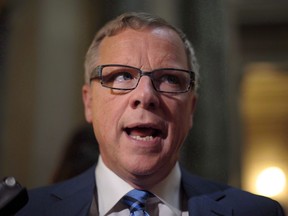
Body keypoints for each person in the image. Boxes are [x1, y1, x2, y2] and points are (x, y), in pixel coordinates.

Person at [17, 12, 284, 216]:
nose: (145, 96)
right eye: (121, 75)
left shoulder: (256, 212)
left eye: (169, 78)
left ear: (190, 109)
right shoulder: (24, 211)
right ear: (89, 103)